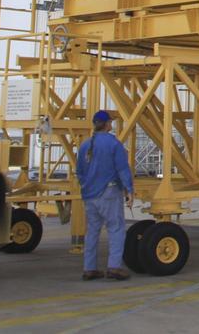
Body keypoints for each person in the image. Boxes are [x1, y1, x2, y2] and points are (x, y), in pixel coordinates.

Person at [76, 109, 135, 281]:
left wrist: (87, 186)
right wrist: (129, 190)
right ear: (108, 124)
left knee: (92, 231)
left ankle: (89, 268)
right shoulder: (113, 144)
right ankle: (114, 266)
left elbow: (79, 172)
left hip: (90, 195)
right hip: (108, 192)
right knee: (116, 229)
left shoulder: (85, 145)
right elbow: (122, 168)